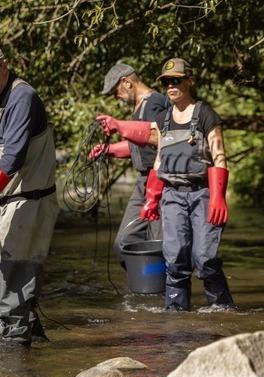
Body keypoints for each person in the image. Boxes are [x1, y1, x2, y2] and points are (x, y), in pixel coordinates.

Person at [98, 58, 235, 311]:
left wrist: (218, 197)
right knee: (175, 258)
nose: (172, 86)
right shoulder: (164, 118)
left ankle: (223, 310)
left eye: (177, 80)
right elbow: (158, 159)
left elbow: (219, 157)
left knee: (205, 258)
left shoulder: (206, 114)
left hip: (202, 193)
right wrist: (152, 198)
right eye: (167, 82)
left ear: (189, 81)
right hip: (172, 195)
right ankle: (175, 317)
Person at [0, 42, 59, 347]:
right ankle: (35, 343)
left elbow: (11, 158)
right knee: (2, 273)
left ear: (3, 67)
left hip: (28, 201)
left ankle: (13, 356)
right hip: (3, 200)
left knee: (11, 279)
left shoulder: (22, 98)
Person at [92, 62, 168, 267]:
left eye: (115, 91)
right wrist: (109, 150)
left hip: (159, 181)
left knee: (157, 245)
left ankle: (160, 295)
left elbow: (156, 138)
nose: (115, 98)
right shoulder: (139, 107)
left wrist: (118, 125)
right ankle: (144, 292)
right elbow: (137, 146)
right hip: (143, 182)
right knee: (124, 243)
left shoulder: (154, 103)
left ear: (126, 82)